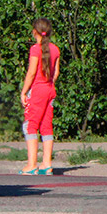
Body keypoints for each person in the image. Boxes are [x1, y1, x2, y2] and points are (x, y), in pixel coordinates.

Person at [19, 18, 61, 175]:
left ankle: (31, 165)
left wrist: (24, 91)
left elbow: (31, 73)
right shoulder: (55, 49)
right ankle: (47, 164)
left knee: (30, 125)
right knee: (46, 126)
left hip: (37, 91)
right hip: (50, 89)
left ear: (34, 32)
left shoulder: (36, 49)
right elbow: (56, 73)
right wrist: (49, 83)